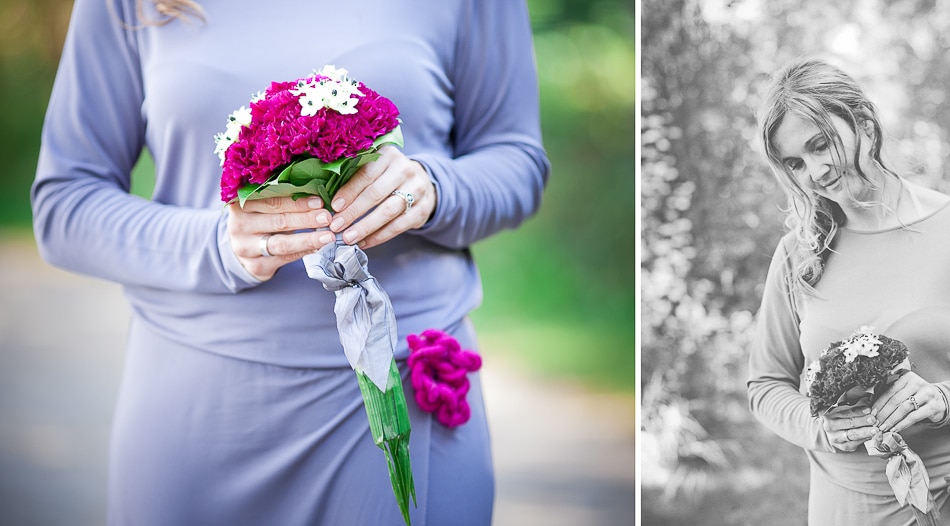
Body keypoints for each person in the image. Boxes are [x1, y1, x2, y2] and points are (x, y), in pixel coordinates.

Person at [31, 0, 549, 524]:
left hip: (405, 386)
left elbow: (517, 160)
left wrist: (431, 187)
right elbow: (64, 205)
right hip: (200, 407)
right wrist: (218, 245)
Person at [747, 57, 950, 525]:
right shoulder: (798, 256)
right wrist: (818, 426)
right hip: (846, 508)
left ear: (864, 124)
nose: (814, 172)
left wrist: (942, 400)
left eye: (821, 145)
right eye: (795, 163)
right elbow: (765, 385)